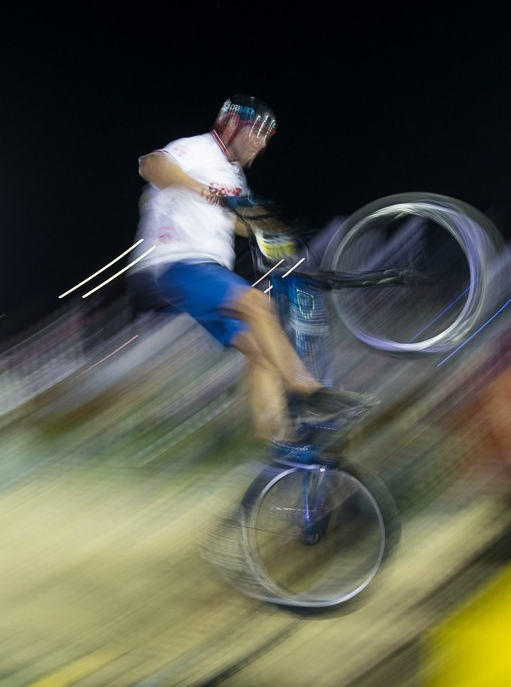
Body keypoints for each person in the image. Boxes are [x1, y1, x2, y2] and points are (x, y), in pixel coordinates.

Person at [129, 95, 376, 445]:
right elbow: (151, 166)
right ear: (231, 126)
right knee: (259, 306)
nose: (262, 143)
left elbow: (234, 220)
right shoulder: (196, 148)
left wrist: (276, 233)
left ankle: (279, 444)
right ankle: (308, 390)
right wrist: (203, 189)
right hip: (176, 263)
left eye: (267, 137)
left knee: (261, 351)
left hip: (205, 270)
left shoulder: (234, 177)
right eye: (257, 132)